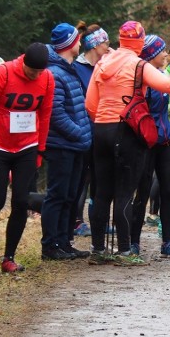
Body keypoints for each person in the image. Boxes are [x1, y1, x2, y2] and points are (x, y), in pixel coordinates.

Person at [85, 21, 170, 265]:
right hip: (124, 130)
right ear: (140, 40)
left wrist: (103, 121)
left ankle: (97, 249)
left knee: (102, 192)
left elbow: (90, 104)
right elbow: (168, 85)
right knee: (125, 192)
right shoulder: (138, 65)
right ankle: (125, 251)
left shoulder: (103, 62)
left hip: (101, 129)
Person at [0, 43, 55, 273]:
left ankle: (9, 258)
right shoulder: (3, 73)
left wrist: (40, 150)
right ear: (23, 60)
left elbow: (45, 115)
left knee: (21, 203)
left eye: (39, 72)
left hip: (27, 147)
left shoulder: (47, 79)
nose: (35, 75)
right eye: (31, 71)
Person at [41, 23, 92, 261]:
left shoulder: (68, 69)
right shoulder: (55, 72)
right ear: (69, 44)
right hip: (62, 144)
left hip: (75, 144)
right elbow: (56, 113)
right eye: (77, 40)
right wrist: (80, 133)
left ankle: (64, 242)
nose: (80, 43)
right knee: (57, 194)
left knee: (70, 195)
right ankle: (50, 245)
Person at [130, 35, 170, 259]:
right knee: (141, 192)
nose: (166, 55)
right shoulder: (140, 79)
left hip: (167, 140)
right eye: (162, 51)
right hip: (145, 143)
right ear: (152, 54)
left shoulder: (163, 76)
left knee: (168, 191)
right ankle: (133, 242)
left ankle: (167, 242)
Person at [72, 24, 110, 236]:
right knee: (81, 178)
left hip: (102, 129)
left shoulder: (105, 66)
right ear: (94, 45)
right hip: (83, 129)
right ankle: (76, 220)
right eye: (105, 42)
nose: (108, 46)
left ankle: (99, 220)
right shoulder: (78, 68)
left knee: (100, 177)